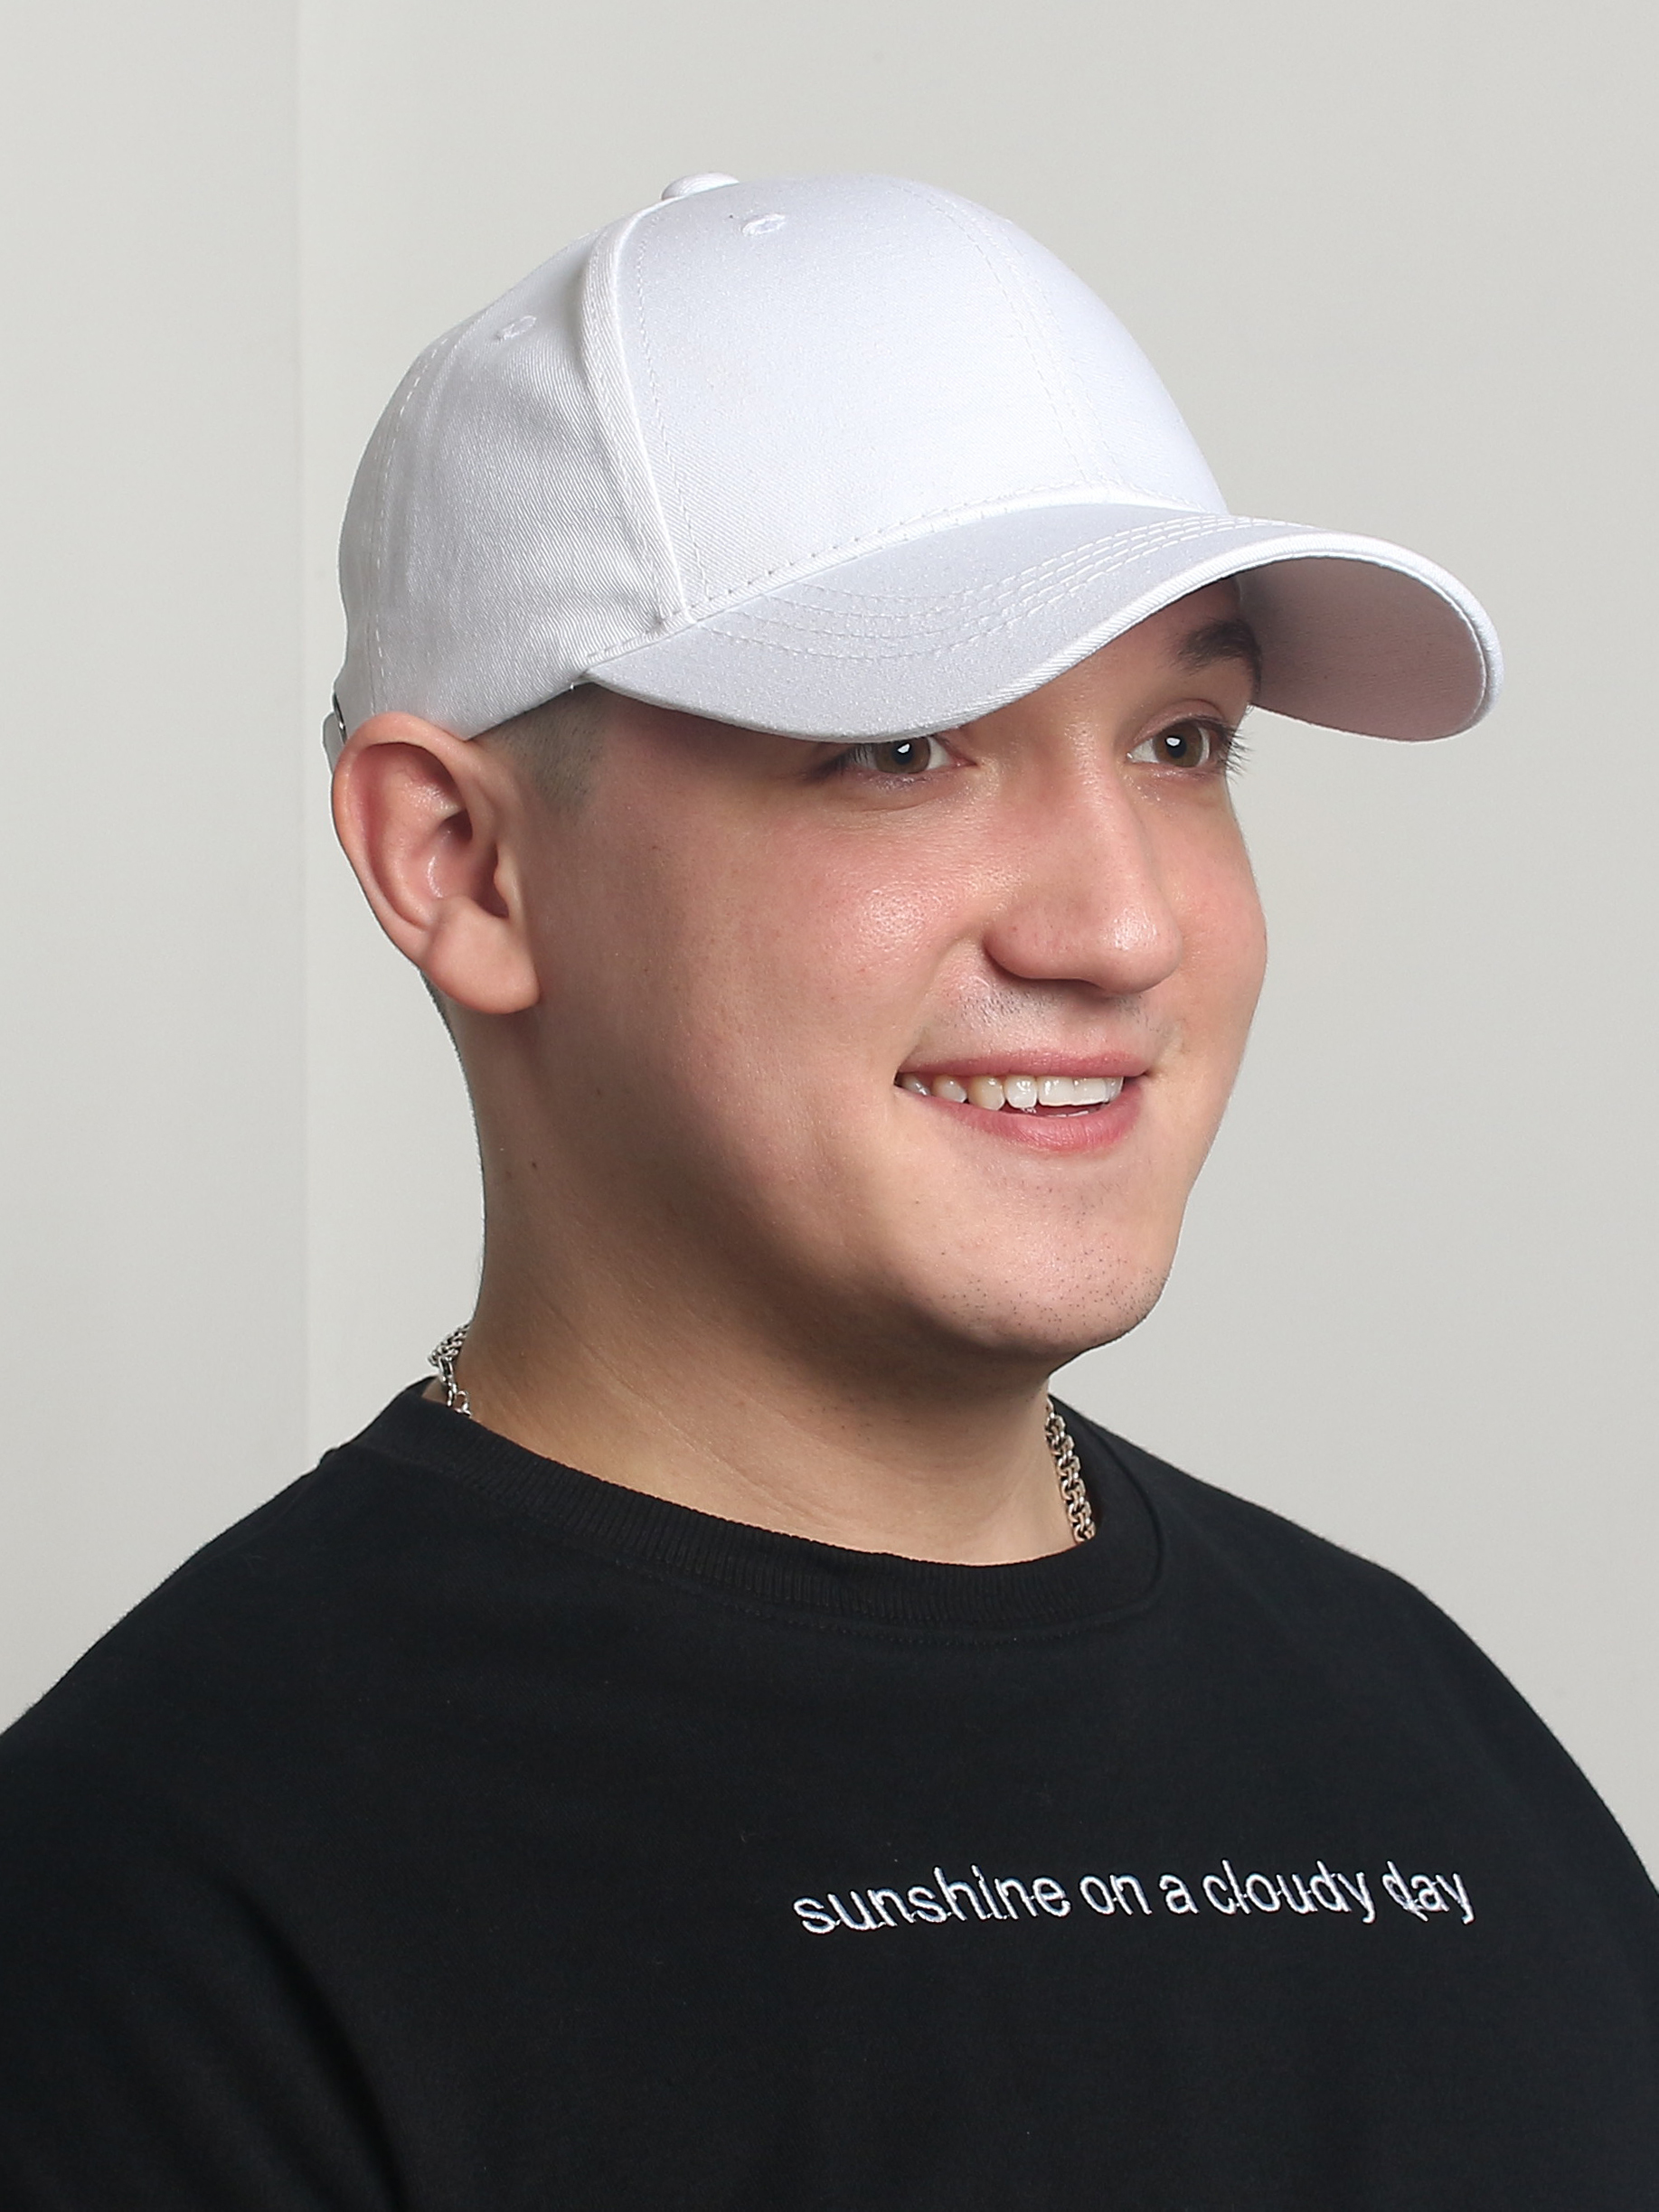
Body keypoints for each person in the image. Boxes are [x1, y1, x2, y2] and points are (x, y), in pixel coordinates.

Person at [1, 170, 1654, 2208]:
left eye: (1183, 742)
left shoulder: (1417, 1724)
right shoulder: (155, 1911)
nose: (1124, 926)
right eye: (902, 748)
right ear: (462, 865)